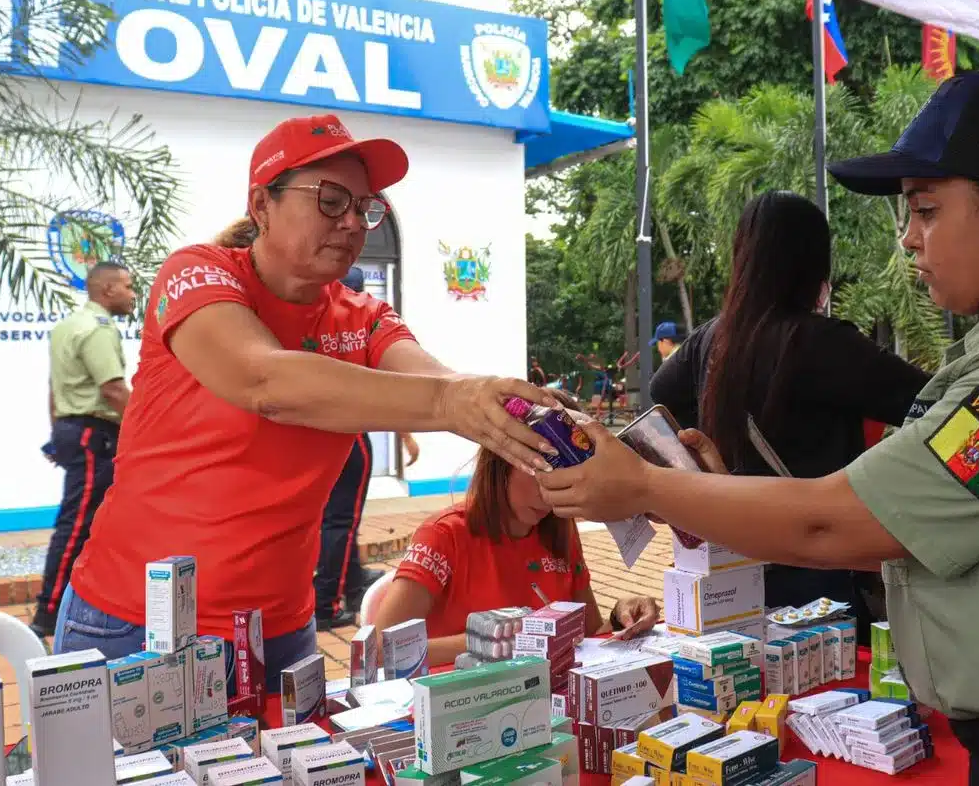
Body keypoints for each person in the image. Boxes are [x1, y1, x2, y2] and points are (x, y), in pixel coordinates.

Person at [538, 71, 979, 784]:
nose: (908, 240)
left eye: (926, 210)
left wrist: (646, 486)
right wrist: (711, 497)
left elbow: (836, 525)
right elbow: (907, 532)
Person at [53, 113, 558, 688]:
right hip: (137, 622)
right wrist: (454, 402)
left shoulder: (363, 317)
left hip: (280, 631)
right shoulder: (196, 274)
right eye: (331, 200)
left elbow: (436, 380)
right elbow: (264, 382)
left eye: (365, 208)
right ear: (262, 205)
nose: (353, 223)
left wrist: (536, 421)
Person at [649, 191, 929, 625]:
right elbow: (934, 404)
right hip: (816, 568)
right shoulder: (822, 343)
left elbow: (659, 393)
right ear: (814, 263)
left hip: (729, 563)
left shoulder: (711, 339)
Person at [364, 392, 659, 665]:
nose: (551, 491)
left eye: (568, 475)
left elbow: (589, 635)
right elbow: (380, 650)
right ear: (502, 459)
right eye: (542, 470)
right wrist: (501, 638)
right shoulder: (444, 536)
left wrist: (623, 615)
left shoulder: (560, 531)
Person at [31, 261, 136, 637]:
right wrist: (151, 428)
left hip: (74, 428)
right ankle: (49, 611)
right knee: (78, 524)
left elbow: (54, 389)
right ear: (107, 291)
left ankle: (79, 601)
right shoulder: (97, 330)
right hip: (95, 434)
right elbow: (112, 390)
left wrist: (58, 433)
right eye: (128, 287)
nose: (133, 295)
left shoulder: (67, 326)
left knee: (90, 521)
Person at [314, 267, 418, 629]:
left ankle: (352, 580)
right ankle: (327, 604)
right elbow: (386, 389)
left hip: (319, 434)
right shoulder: (354, 331)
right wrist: (405, 433)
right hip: (349, 436)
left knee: (333, 518)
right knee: (342, 520)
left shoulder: (310, 324)